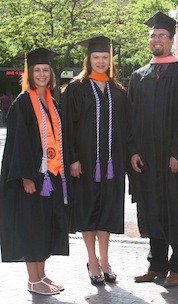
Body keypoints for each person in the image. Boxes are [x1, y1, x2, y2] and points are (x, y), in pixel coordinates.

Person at [127, 12, 178, 287]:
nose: (156, 40)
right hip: (146, 158)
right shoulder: (139, 76)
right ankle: (156, 264)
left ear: (172, 40)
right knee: (152, 208)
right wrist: (132, 150)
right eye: (153, 36)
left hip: (173, 159)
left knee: (177, 208)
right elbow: (130, 119)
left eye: (162, 36)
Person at [0, 48, 69, 296]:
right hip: (32, 177)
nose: (41, 74)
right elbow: (18, 142)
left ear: (50, 74)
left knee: (43, 226)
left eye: (44, 70)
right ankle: (33, 280)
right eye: (36, 70)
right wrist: (26, 176)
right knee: (32, 226)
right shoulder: (22, 103)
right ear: (29, 74)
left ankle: (41, 275)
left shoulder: (50, 102)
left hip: (50, 175)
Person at [61, 36, 129, 285]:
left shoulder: (118, 91)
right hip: (86, 162)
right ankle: (91, 259)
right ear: (88, 59)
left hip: (112, 162)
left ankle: (105, 258)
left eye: (105, 58)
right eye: (96, 57)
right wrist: (73, 159)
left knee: (108, 209)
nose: (101, 61)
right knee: (88, 209)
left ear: (110, 61)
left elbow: (126, 127)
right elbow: (68, 126)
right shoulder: (76, 88)